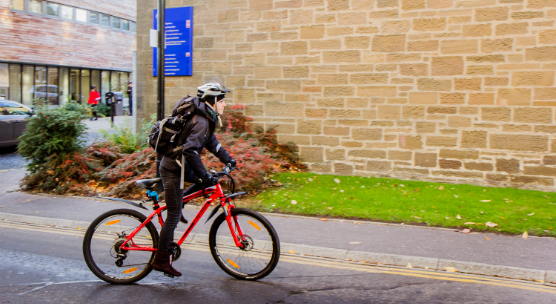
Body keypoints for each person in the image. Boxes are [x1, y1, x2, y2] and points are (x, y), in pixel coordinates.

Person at [152, 83, 237, 277]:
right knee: (173, 216)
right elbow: (190, 150)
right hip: (174, 169)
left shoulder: (204, 119)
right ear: (213, 102)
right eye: (222, 101)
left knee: (207, 181)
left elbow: (212, 144)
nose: (224, 105)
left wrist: (228, 159)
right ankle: (161, 260)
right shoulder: (200, 121)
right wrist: (204, 175)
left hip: (182, 168)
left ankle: (179, 204)